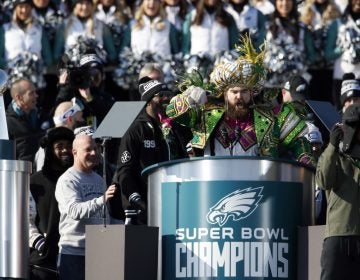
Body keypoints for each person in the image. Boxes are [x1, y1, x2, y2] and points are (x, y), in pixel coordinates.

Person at [167, 36, 314, 164]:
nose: (239, 97)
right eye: (234, 92)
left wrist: (306, 159)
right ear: (225, 94)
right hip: (212, 188)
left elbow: (299, 140)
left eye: (244, 92)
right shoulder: (206, 114)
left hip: (258, 188)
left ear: (252, 93)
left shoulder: (270, 117)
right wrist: (189, 99)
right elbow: (173, 112)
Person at [112, 78, 190, 224]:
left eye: (168, 94)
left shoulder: (174, 127)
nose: (167, 98)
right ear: (148, 101)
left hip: (173, 202)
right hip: (144, 208)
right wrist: (136, 199)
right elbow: (125, 171)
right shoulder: (136, 129)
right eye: (161, 95)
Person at [55, 134, 117, 280]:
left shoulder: (99, 179)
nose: (94, 153)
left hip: (99, 252)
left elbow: (104, 218)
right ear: (74, 152)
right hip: (74, 254)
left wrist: (127, 225)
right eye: (88, 149)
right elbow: (74, 211)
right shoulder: (67, 180)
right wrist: (102, 199)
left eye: (96, 148)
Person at [315, 103, 360, 280]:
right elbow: (323, 181)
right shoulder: (334, 155)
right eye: (352, 125)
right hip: (338, 233)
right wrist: (332, 146)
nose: (355, 131)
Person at [29, 127, 74, 280]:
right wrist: (38, 242)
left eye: (69, 146)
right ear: (49, 150)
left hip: (74, 255)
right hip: (43, 263)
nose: (65, 150)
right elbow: (25, 218)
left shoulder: (77, 179)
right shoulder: (35, 181)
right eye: (59, 146)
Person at [263, 0, 317, 88]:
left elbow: (312, 56)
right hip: (270, 85)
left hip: (294, 86)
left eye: (288, 0)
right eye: (280, 0)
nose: (284, 3)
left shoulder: (302, 28)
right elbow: (258, 51)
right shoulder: (267, 26)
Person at [299, 0, 341, 103]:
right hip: (310, 69)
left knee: (329, 104)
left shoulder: (336, 10)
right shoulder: (303, 10)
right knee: (312, 105)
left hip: (330, 69)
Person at [53, 0, 117, 64]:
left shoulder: (100, 25)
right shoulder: (65, 25)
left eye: (88, 3)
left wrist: (103, 62)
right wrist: (66, 63)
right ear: (75, 5)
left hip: (94, 70)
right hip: (74, 70)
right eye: (81, 3)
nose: (85, 7)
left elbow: (112, 53)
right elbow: (56, 55)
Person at [324, 0, 360, 109]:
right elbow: (328, 54)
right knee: (340, 112)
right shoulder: (338, 23)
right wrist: (343, 47)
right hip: (341, 77)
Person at [34, 98, 85, 171]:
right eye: (80, 117)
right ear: (70, 119)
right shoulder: (47, 146)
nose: (83, 120)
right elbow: (42, 177)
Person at [6, 78, 45, 162]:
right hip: (21, 173)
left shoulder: (40, 115)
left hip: (42, 171)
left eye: (35, 92)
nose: (36, 95)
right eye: (31, 93)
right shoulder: (6, 123)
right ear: (19, 97)